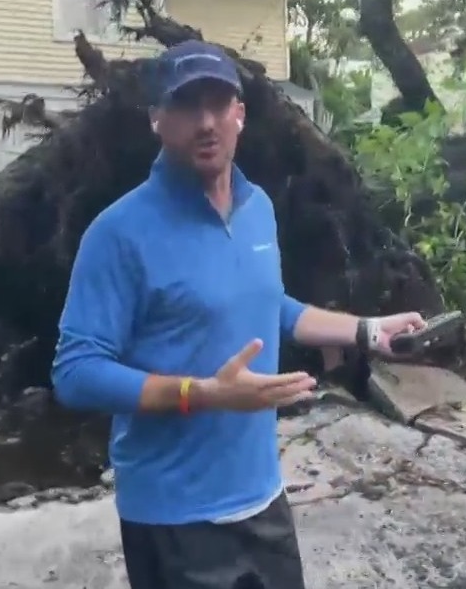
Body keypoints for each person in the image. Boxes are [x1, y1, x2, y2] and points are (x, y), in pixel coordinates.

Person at [51, 40, 427, 589]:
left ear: (240, 114)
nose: (206, 122)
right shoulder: (119, 233)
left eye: (218, 103)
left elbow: (266, 305)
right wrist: (200, 393)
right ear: (157, 119)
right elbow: (76, 372)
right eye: (186, 106)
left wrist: (368, 331)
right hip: (174, 519)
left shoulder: (258, 209)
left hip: (262, 500)